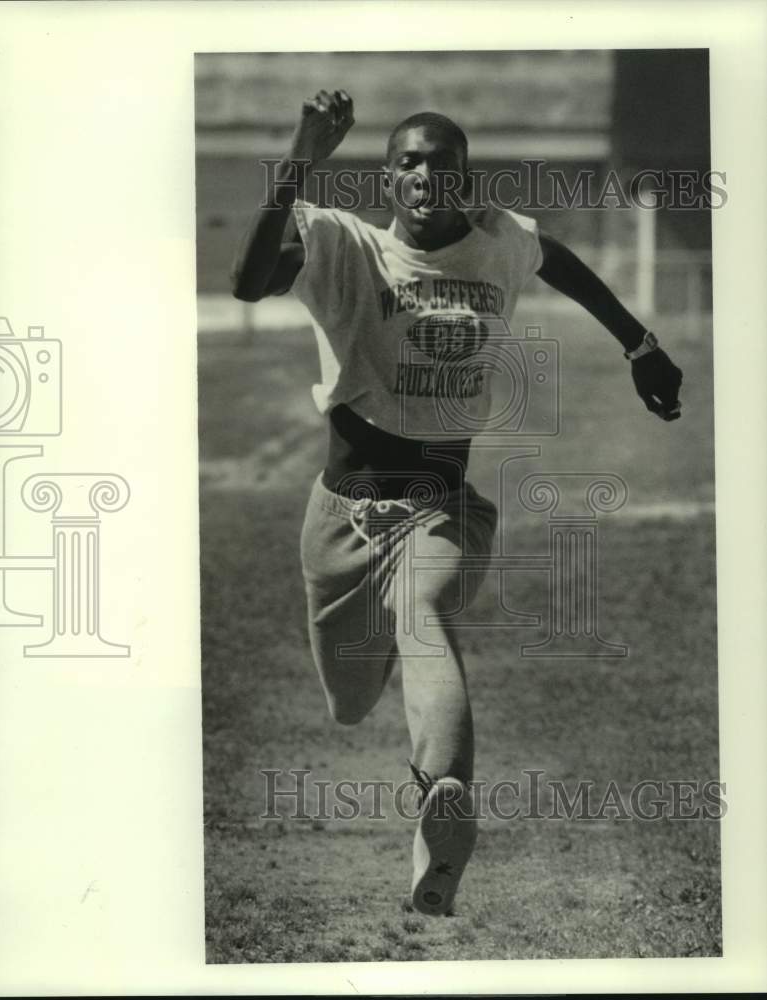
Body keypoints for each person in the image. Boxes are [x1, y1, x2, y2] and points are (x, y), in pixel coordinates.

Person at [230, 89, 683, 916]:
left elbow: (566, 268)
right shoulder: (345, 247)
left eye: (441, 160)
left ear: (465, 177)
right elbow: (248, 281)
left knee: (423, 614)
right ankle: (423, 761)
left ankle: (442, 808)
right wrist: (299, 159)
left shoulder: (500, 244)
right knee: (349, 703)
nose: (425, 172)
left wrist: (640, 346)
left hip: (444, 506)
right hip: (342, 518)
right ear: (388, 179)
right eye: (407, 160)